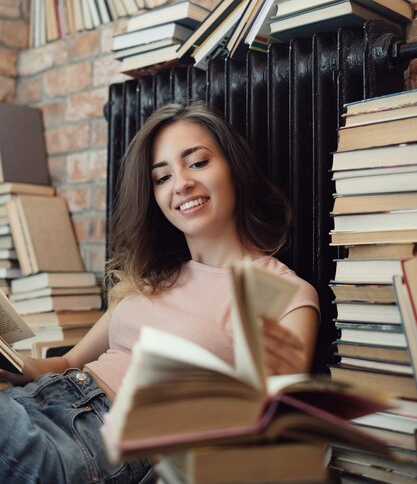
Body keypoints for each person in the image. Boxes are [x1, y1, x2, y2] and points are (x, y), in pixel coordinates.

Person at [0, 102, 319, 484]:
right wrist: (9, 361)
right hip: (37, 400)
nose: (181, 183)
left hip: (92, 444)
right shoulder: (150, 277)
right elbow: (66, 361)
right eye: (162, 177)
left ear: (234, 168)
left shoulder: (285, 295)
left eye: (198, 163)